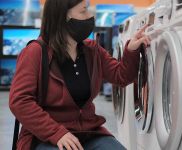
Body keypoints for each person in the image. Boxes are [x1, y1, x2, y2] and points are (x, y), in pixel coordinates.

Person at [9, 0, 150, 150]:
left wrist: (132, 50)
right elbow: (20, 101)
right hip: (44, 136)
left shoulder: (92, 50)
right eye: (83, 11)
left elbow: (121, 75)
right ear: (63, 18)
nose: (90, 16)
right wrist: (57, 133)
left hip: (88, 132)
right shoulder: (35, 52)